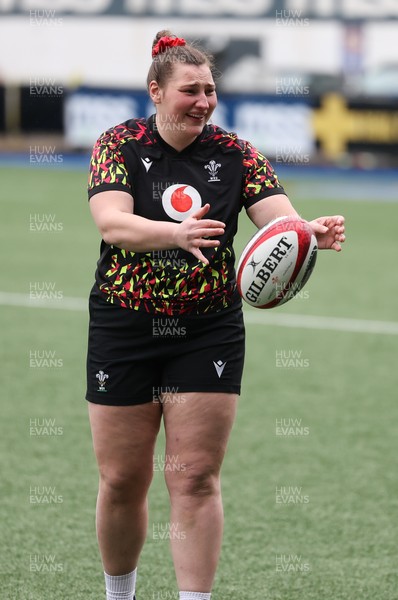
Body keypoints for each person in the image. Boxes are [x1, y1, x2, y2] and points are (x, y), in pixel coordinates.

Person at [85, 30, 345, 600]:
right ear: (156, 91)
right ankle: (118, 594)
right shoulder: (118, 143)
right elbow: (112, 223)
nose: (203, 101)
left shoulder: (237, 153)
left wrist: (310, 232)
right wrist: (173, 234)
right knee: (124, 479)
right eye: (190, 90)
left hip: (207, 328)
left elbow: (280, 222)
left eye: (210, 90)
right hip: (124, 322)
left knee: (195, 478)